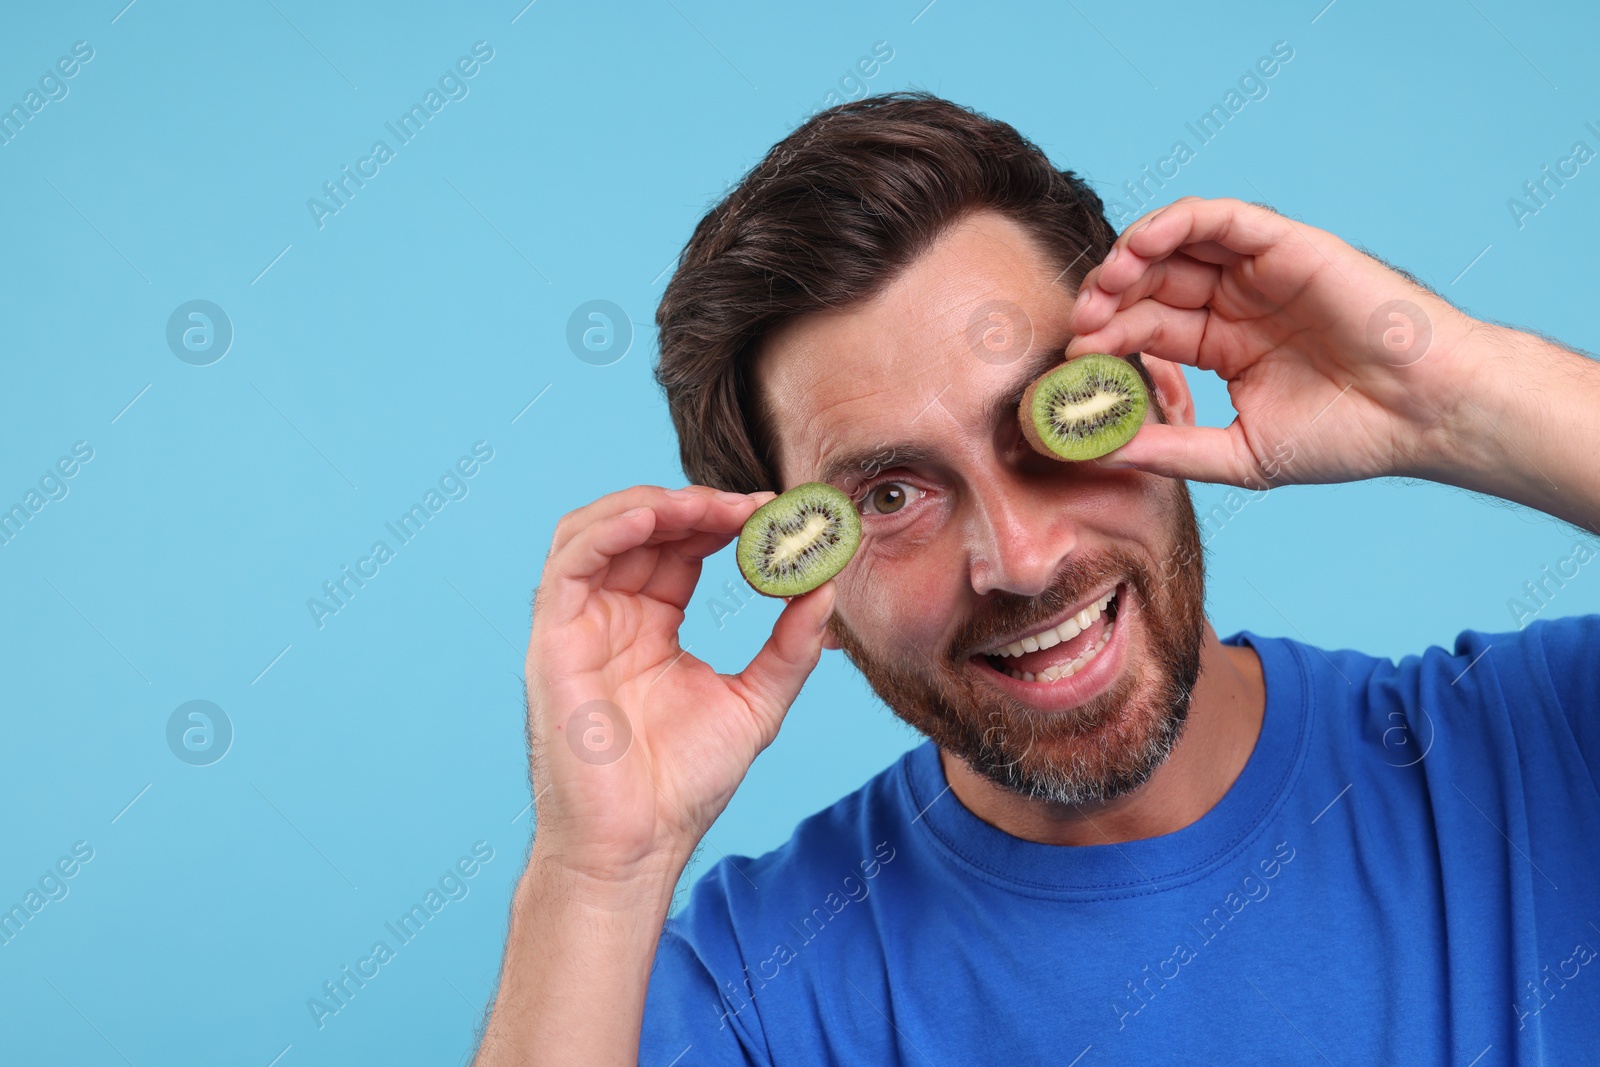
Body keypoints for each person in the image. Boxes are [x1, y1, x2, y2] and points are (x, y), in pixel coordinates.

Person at [473, 93, 1600, 1064]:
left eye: (1044, 425)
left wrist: (1463, 398)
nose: (1020, 558)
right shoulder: (756, 989)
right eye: (888, 496)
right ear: (801, 580)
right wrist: (595, 871)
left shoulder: (1545, 747)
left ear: (1159, 394)